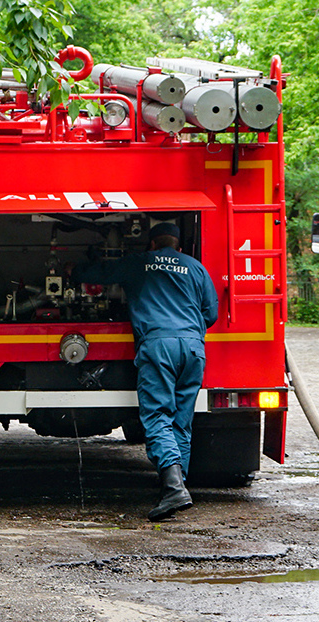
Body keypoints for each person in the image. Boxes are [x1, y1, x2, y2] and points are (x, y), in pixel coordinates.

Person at [77, 221, 219, 521]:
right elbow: (211, 313)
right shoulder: (196, 267)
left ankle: (173, 489)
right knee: (181, 421)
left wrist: (73, 270)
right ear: (178, 246)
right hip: (193, 348)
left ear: (151, 244)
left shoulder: (138, 263)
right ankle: (177, 485)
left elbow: (100, 274)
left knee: (157, 416)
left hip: (158, 345)